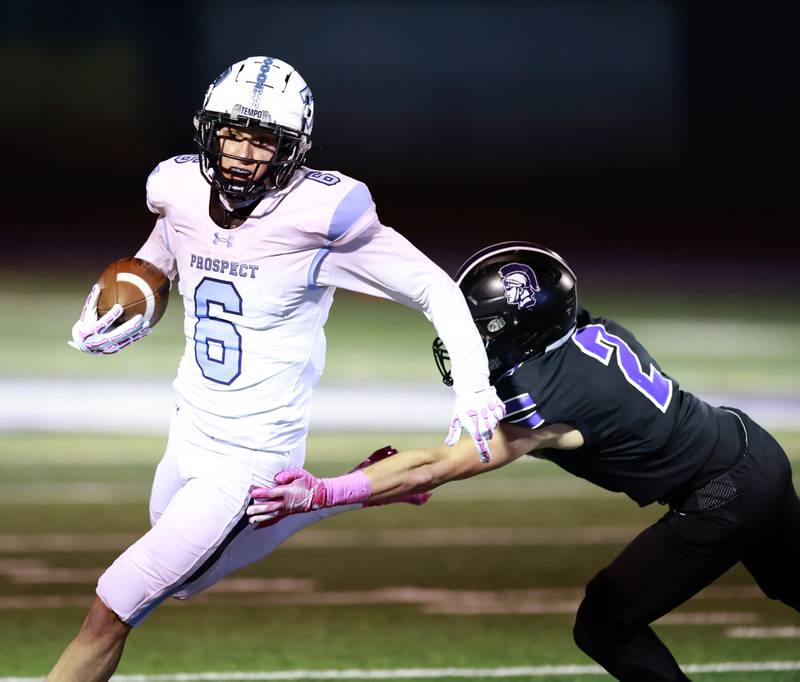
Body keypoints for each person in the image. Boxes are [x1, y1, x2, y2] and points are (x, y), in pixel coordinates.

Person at [49, 56, 505, 681]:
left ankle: (316, 493)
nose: (240, 153)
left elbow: (435, 288)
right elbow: (159, 263)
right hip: (188, 430)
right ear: (207, 132)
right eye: (230, 134)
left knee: (112, 609)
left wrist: (474, 384)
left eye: (261, 140)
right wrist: (110, 314)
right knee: (177, 581)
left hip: (251, 454)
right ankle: (345, 493)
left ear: (292, 150)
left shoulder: (322, 218)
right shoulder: (178, 190)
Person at [249, 241, 800, 682]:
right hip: (756, 448)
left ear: (523, 330)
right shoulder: (585, 331)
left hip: (721, 494)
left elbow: (436, 466)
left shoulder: (545, 395)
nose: (465, 339)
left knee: (604, 625)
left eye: (479, 328)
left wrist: (325, 491)